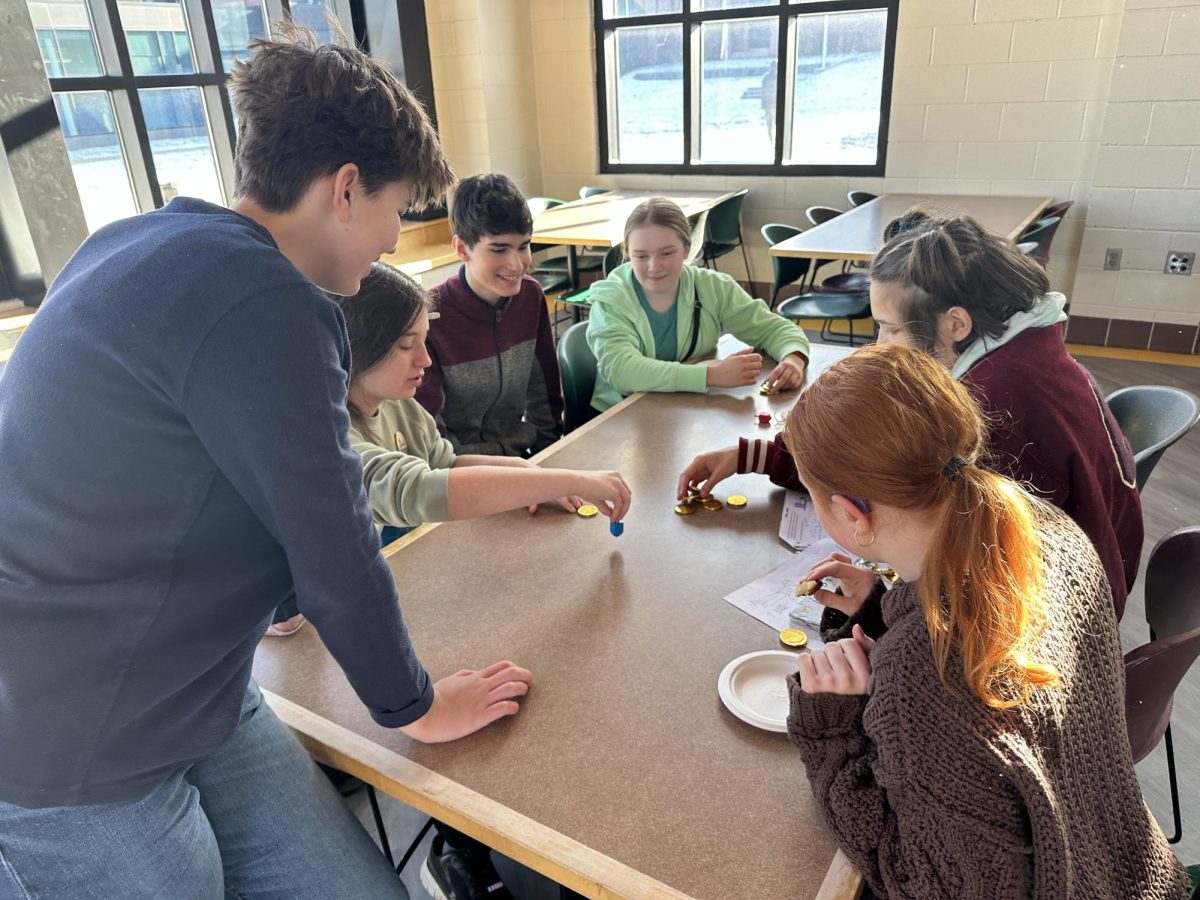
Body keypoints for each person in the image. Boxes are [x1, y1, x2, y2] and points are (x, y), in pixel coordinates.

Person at [0, 26, 532, 899]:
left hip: (202, 688)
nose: (397, 241)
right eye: (400, 210)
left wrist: (275, 599)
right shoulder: (274, 303)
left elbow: (205, 474)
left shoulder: (133, 240)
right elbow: (337, 538)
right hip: (77, 744)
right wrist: (416, 705)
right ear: (346, 189)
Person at [782, 344, 1188, 899]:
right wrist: (882, 609)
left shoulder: (919, 675)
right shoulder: (1047, 529)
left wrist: (832, 732)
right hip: (1126, 869)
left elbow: (923, 883)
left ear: (854, 515)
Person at [333, 262, 628, 900]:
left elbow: (446, 461)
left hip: (428, 592)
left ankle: (474, 849)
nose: (425, 361)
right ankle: (462, 854)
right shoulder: (329, 434)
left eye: (424, 339)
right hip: (354, 631)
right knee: (485, 722)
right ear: (356, 350)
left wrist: (531, 480)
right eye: (407, 346)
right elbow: (419, 490)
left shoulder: (398, 404)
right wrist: (564, 481)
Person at [679, 211, 1142, 618]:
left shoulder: (990, 402)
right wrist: (758, 456)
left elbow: (953, 572)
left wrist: (881, 606)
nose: (881, 345)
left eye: (889, 328)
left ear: (955, 323)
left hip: (1040, 626)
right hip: (1080, 600)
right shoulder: (1025, 350)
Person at [585, 196, 810, 412]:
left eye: (666, 253)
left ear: (686, 248)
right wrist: (709, 375)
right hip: (620, 414)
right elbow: (622, 371)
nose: (654, 266)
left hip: (686, 408)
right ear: (627, 253)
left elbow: (772, 328)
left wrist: (794, 359)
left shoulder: (711, 286)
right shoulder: (611, 298)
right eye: (641, 256)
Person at [415, 173, 564, 457]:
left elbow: (543, 392)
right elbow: (429, 429)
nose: (516, 264)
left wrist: (551, 460)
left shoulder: (530, 296)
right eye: (499, 249)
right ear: (462, 249)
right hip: (461, 473)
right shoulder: (429, 317)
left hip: (523, 461)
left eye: (523, 246)